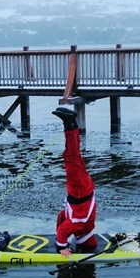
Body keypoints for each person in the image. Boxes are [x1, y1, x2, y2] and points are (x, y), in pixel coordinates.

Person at [52, 107, 97, 257]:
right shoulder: (78, 226)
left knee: (75, 156)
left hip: (84, 190)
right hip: (79, 190)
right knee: (71, 156)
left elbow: (62, 224)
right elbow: (62, 231)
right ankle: (69, 123)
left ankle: (70, 122)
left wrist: (61, 245)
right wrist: (61, 247)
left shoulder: (85, 228)